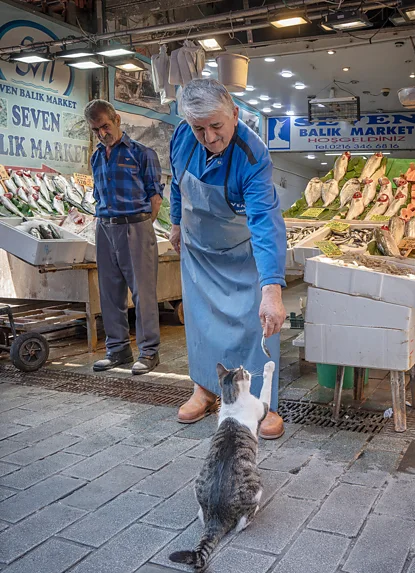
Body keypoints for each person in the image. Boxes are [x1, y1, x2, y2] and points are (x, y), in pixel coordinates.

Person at [169, 79, 287, 439]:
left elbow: (266, 223)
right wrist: (175, 223)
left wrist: (272, 289)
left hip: (241, 251)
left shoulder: (253, 155)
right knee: (201, 324)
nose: (208, 137)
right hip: (197, 249)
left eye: (216, 126)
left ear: (235, 114)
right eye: (199, 128)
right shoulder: (181, 137)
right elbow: (175, 184)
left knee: (255, 324)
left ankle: (260, 401)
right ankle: (204, 390)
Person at [84, 99, 163, 375]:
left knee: (143, 293)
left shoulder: (142, 154)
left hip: (135, 226)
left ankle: (149, 352)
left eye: (105, 126)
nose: (102, 134)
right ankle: (117, 350)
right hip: (105, 226)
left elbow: (155, 198)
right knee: (109, 293)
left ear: (117, 120)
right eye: (96, 130)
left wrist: (140, 226)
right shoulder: (96, 157)